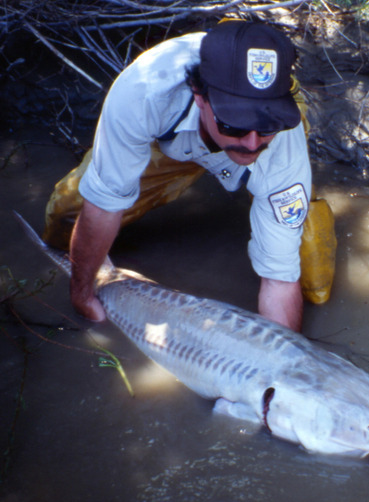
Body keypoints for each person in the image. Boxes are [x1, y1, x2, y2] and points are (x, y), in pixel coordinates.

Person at [42, 21, 329, 333]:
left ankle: (282, 193)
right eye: (234, 124)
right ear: (200, 96)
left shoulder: (281, 138)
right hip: (172, 137)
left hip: (273, 147)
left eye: (267, 127)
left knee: (312, 281)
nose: (252, 143)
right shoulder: (143, 93)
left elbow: (279, 278)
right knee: (67, 215)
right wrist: (82, 296)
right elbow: (102, 205)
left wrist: (283, 364)